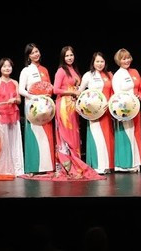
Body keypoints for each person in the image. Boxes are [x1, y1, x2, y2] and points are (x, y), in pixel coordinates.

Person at [53, 46, 102, 180]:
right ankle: (68, 166)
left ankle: (77, 164)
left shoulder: (73, 70)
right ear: (63, 57)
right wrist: (72, 92)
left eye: (71, 55)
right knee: (66, 136)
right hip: (63, 107)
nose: (70, 58)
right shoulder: (61, 71)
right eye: (67, 56)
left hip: (73, 106)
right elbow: (56, 90)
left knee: (74, 136)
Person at [18, 43, 55, 175]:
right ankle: (33, 167)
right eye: (33, 52)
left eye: (37, 51)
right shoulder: (26, 70)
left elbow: (49, 87)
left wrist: (47, 95)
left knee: (47, 135)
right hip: (33, 107)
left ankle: (48, 167)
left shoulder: (45, 70)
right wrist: (33, 96)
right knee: (35, 135)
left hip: (45, 108)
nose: (36, 54)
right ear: (28, 56)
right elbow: (21, 89)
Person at [78, 51, 114, 174]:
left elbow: (114, 93)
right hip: (94, 114)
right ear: (93, 63)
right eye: (97, 61)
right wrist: (78, 105)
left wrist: (110, 103)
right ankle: (98, 165)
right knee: (97, 137)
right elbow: (80, 92)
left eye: (102, 61)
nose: (99, 64)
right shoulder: (88, 75)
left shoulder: (109, 75)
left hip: (107, 112)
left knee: (108, 138)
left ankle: (108, 165)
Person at [111, 47, 141, 173]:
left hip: (136, 109)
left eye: (128, 58)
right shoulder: (117, 75)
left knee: (135, 134)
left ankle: (135, 163)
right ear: (119, 60)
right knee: (126, 134)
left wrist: (139, 96)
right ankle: (124, 164)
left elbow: (140, 88)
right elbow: (117, 95)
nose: (127, 60)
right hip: (124, 110)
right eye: (124, 59)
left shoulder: (135, 72)